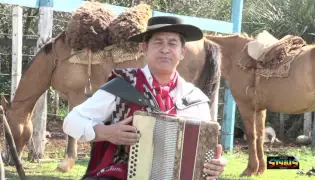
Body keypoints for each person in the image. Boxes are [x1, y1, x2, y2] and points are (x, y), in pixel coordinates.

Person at [63, 16, 227, 180]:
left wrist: (216, 164)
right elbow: (71, 122)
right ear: (144, 48)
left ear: (182, 52)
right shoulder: (121, 86)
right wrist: (105, 132)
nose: (165, 49)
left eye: (172, 43)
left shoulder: (195, 99)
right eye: (157, 42)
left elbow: (207, 152)